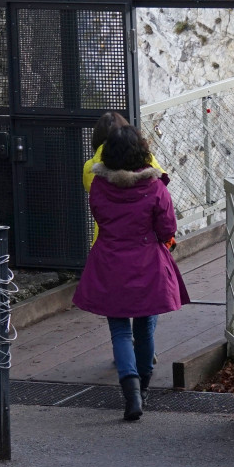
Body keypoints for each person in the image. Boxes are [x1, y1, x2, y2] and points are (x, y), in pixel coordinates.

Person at [74, 123, 190, 421]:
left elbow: (99, 215)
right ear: (142, 152)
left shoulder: (99, 186)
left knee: (120, 330)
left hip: (110, 262)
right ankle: (145, 383)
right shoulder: (156, 188)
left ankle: (132, 393)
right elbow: (167, 228)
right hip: (147, 263)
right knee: (144, 324)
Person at [83, 112, 166, 242]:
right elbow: (161, 180)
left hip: (107, 242)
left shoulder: (90, 167)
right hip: (144, 242)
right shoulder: (145, 159)